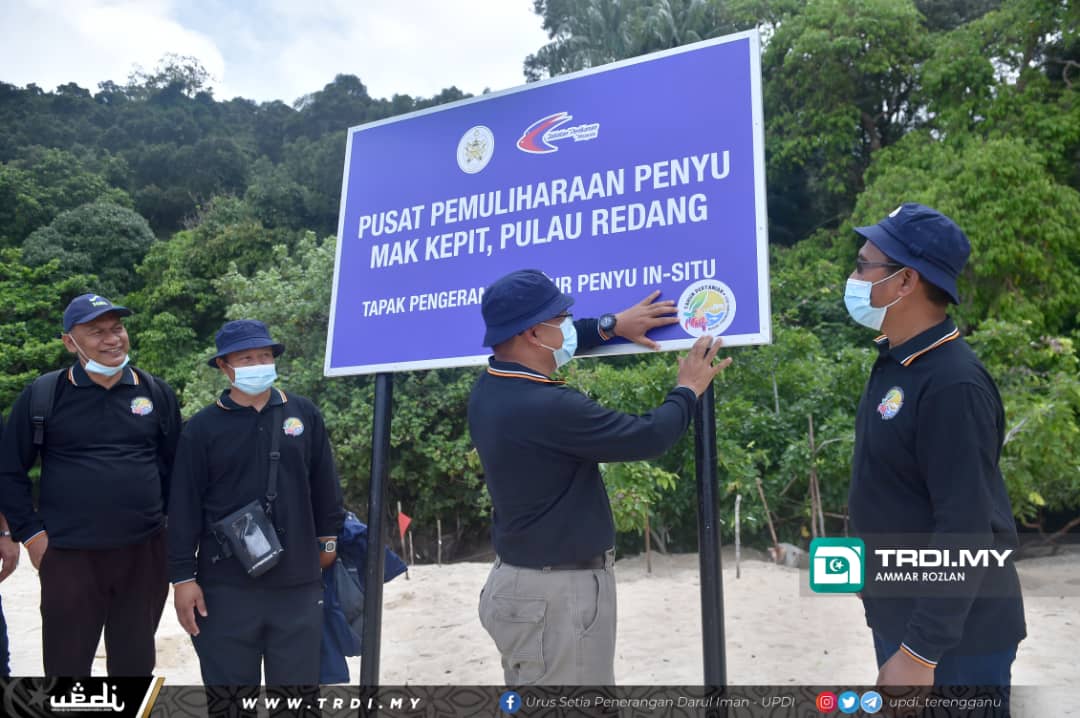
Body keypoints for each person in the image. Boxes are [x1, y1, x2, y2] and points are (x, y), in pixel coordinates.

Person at [469, 269, 732, 685]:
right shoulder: (549, 407)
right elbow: (647, 436)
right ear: (535, 334)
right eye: (563, 319)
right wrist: (687, 390)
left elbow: (553, 346)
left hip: (518, 586)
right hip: (555, 599)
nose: (570, 326)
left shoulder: (490, 388)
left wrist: (611, 327)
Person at [844, 204, 1026, 689]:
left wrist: (920, 654)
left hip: (956, 640)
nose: (854, 277)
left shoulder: (953, 384)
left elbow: (965, 527)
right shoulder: (897, 363)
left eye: (864, 265)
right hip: (904, 615)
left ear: (905, 282)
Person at [0, 293, 180, 677]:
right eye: (96, 332)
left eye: (117, 328)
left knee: (135, 667)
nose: (112, 339)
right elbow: (8, 471)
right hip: (69, 556)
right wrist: (31, 534)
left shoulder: (155, 392)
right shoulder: (43, 396)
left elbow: (176, 469)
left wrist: (170, 532)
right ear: (70, 342)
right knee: (67, 669)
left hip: (143, 554)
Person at [168, 319, 345, 689]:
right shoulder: (201, 428)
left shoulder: (304, 414)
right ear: (224, 366)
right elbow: (183, 506)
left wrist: (328, 539)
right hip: (224, 586)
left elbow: (324, 484)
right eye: (246, 358)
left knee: (296, 698)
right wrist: (182, 578)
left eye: (264, 355)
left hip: (297, 582)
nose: (258, 364)